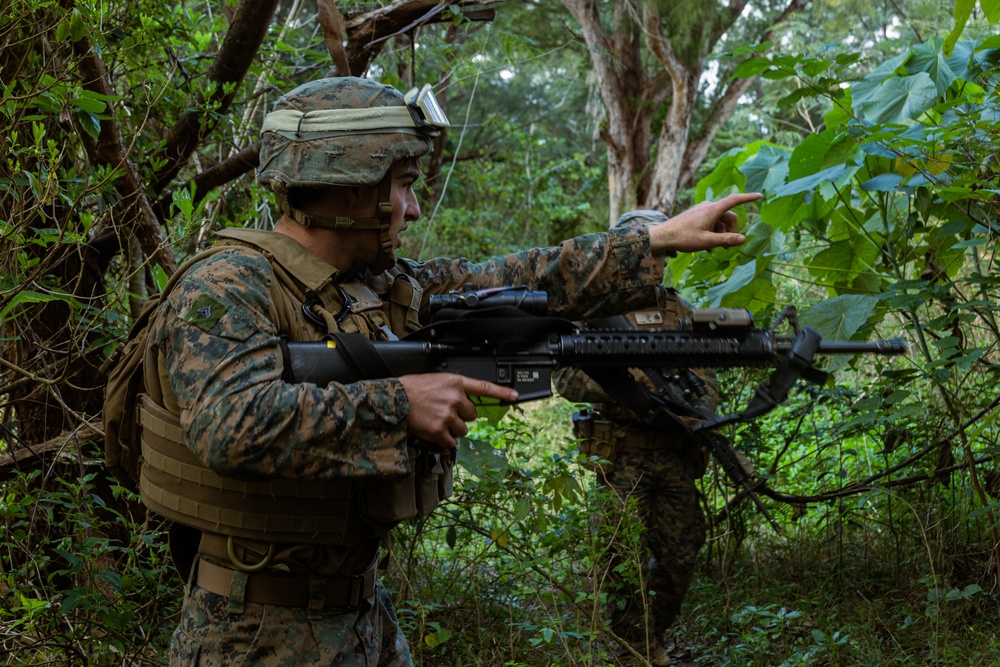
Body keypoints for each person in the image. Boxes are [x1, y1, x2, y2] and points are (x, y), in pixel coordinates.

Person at [138, 76, 758, 666]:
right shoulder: (226, 283)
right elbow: (230, 424)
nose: (410, 208)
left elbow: (517, 279)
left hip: (360, 607)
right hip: (255, 632)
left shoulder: (380, 286)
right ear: (352, 188)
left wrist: (655, 243)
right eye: (403, 184)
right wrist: (400, 403)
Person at [553, 210, 720, 667]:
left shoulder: (677, 309)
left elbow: (705, 377)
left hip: (673, 457)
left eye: (665, 255)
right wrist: (637, 390)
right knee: (619, 565)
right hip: (619, 460)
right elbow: (567, 377)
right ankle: (634, 648)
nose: (659, 263)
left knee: (679, 558)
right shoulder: (596, 312)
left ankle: (650, 636)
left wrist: (692, 406)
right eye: (651, 253)